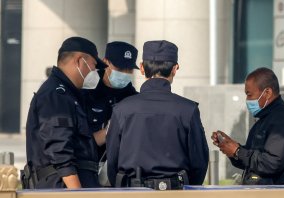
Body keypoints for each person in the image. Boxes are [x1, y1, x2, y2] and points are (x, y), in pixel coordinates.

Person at [106, 40, 209, 190]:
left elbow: (112, 161)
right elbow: (199, 162)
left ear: (141, 68)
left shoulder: (122, 109)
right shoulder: (188, 109)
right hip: (175, 192)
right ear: (175, 68)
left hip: (132, 191)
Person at [24, 37, 105, 189]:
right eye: (94, 66)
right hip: (61, 187)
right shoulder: (56, 95)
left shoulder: (69, 94)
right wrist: (76, 193)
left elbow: (79, 143)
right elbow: (60, 152)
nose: (95, 72)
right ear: (80, 61)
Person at [211, 67, 284, 185]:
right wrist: (230, 147)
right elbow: (250, 159)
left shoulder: (283, 121)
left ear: (267, 93)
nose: (247, 100)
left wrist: (237, 151)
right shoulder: (264, 119)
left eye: (250, 95)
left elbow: (272, 163)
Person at [82, 41, 139, 186]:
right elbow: (76, 142)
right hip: (89, 173)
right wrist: (107, 133)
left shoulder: (135, 99)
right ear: (105, 62)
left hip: (125, 176)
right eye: (120, 68)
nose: (124, 74)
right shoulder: (86, 93)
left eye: (129, 70)